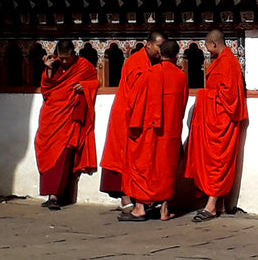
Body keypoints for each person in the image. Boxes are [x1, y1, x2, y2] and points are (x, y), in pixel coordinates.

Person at [120, 39, 190, 222]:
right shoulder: (182, 77)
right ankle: (164, 210)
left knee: (144, 165)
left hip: (149, 131)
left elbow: (134, 103)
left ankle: (140, 208)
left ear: (160, 54)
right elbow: (182, 105)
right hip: (171, 131)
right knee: (167, 169)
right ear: (176, 56)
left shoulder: (149, 74)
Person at [186, 30, 249, 222]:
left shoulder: (229, 63)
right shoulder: (221, 61)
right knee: (212, 161)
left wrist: (204, 96)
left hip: (223, 121)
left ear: (214, 44)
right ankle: (218, 203)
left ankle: (211, 206)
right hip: (215, 119)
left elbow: (229, 97)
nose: (208, 52)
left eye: (208, 47)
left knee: (217, 162)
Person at [99, 32, 165, 204]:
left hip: (141, 116)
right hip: (126, 114)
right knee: (122, 156)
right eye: (159, 46)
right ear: (148, 44)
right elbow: (138, 88)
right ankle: (125, 197)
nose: (161, 51)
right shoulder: (136, 62)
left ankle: (139, 195)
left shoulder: (154, 62)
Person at [34, 40, 99, 210]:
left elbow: (95, 81)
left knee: (62, 155)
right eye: (61, 58)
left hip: (68, 118)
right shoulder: (53, 65)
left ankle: (55, 196)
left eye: (67, 58)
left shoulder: (84, 66)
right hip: (51, 115)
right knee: (46, 151)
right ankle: (49, 193)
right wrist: (48, 69)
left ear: (74, 54)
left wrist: (85, 86)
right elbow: (46, 89)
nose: (63, 62)